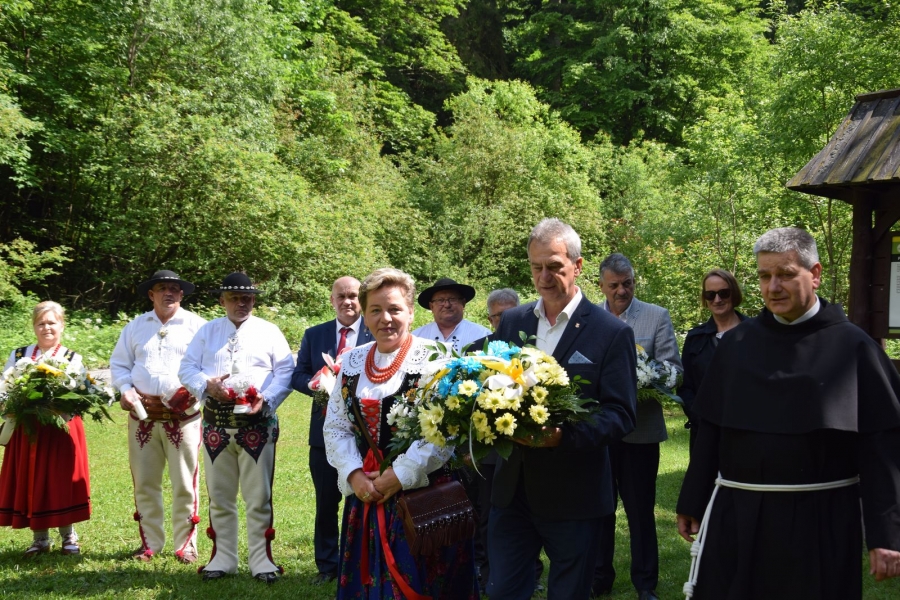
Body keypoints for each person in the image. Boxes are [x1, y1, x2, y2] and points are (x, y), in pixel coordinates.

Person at [676, 227, 900, 599]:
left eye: (785, 274)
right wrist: (692, 500)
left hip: (821, 519)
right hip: (740, 513)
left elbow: (882, 450)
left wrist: (886, 535)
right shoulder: (736, 344)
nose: (773, 286)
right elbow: (712, 430)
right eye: (765, 276)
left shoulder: (853, 347)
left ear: (815, 274)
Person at [488, 218, 637, 600]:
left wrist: (562, 437)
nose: (543, 277)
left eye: (553, 266)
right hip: (513, 490)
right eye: (536, 267)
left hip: (575, 492)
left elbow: (621, 413)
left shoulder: (611, 331)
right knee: (504, 590)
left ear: (578, 265)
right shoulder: (513, 322)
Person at [323, 267, 479, 600]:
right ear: (364, 315)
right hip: (366, 495)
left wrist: (397, 476)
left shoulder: (435, 360)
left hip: (423, 496)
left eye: (394, 309)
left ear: (410, 311)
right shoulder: (351, 362)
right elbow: (336, 426)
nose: (386, 318)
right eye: (376, 310)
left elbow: (443, 433)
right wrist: (355, 478)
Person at [179, 272, 294, 584]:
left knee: (258, 497)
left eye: (246, 298)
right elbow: (186, 367)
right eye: (234, 298)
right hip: (217, 425)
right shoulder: (206, 332)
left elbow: (286, 370)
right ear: (222, 301)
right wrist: (206, 384)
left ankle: (262, 561)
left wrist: (267, 398)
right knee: (219, 495)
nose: (241, 303)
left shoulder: (270, 332)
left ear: (254, 300)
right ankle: (223, 558)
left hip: (257, 425)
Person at [594, 253, 682, 600]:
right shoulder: (589, 317)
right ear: (601, 285)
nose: (622, 291)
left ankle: (645, 583)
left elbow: (673, 369)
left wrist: (646, 377)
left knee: (640, 510)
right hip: (600, 433)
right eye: (614, 285)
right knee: (600, 508)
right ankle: (600, 578)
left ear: (635, 280)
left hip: (641, 430)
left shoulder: (656, 316)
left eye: (627, 283)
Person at [109, 270, 207, 563]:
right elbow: (118, 365)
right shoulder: (136, 327)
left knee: (184, 481)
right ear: (151, 295)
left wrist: (196, 390)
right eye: (162, 288)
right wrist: (125, 390)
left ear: (182, 294)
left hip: (184, 417)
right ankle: (149, 543)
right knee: (145, 482)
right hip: (144, 417)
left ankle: (186, 544)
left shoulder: (198, 327)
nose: (169, 293)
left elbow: (210, 366)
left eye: (175, 289)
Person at [290, 275, 373, 586]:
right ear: (332, 300)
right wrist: (315, 384)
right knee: (326, 502)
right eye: (341, 296)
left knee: (364, 498)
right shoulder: (315, 334)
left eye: (353, 295)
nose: (347, 301)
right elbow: (296, 375)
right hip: (323, 434)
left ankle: (363, 561)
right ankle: (327, 566)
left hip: (366, 434)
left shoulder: (374, 329)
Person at [0, 301, 91, 556]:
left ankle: (68, 536)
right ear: (34, 326)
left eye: (52, 322)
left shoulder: (72, 358)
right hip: (27, 428)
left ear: (62, 325)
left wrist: (58, 406)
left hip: (61, 429)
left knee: (61, 479)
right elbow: (5, 387)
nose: (46, 327)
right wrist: (9, 403)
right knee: (31, 478)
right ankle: (39, 538)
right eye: (41, 323)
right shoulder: (19, 356)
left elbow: (82, 395)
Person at [678, 269, 747, 453]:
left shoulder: (755, 334)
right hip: (705, 433)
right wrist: (703, 419)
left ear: (734, 293)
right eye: (710, 294)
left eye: (723, 293)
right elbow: (685, 387)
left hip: (747, 432)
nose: (717, 300)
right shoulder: (695, 339)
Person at [413, 277, 490, 352]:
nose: (447, 305)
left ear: (463, 303)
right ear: (431, 306)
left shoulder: (483, 335)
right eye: (440, 300)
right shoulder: (416, 337)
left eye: (452, 299)